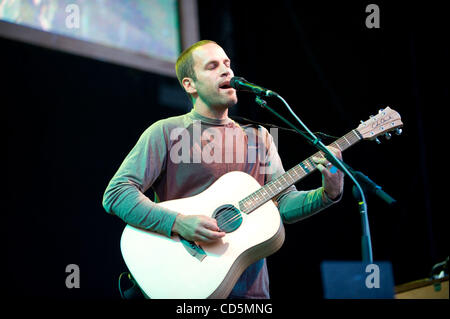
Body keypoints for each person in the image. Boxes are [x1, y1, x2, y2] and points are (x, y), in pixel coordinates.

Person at [102, 40, 344, 299]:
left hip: (252, 294)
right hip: (188, 286)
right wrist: (178, 223)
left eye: (227, 64)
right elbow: (117, 193)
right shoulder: (167, 131)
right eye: (213, 66)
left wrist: (328, 193)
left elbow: (283, 205)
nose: (227, 71)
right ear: (190, 84)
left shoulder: (259, 137)